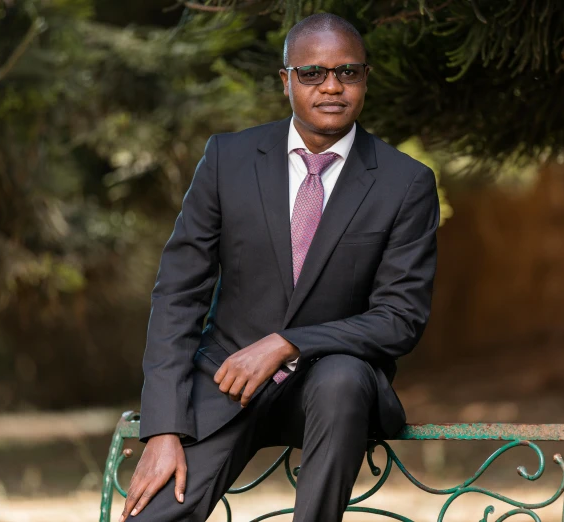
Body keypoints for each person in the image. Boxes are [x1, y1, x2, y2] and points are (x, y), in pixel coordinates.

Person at [120, 12, 440, 522]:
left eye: (348, 72)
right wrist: (163, 430)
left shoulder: (405, 183)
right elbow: (178, 294)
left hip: (334, 395)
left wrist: (287, 342)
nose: (331, 86)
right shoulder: (227, 158)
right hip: (228, 384)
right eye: (312, 73)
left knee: (341, 377)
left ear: (365, 79)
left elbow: (400, 318)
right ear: (286, 80)